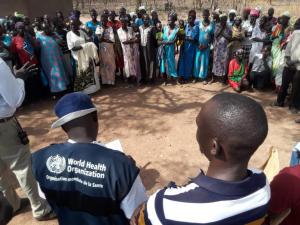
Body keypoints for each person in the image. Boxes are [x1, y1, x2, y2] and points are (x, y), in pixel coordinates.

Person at [131, 93, 270, 225]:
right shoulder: (262, 185)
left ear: (214, 146)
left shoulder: (165, 208)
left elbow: (137, 220)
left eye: (199, 126)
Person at [32, 92, 147, 225]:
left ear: (63, 127)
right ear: (95, 117)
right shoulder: (121, 167)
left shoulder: (41, 159)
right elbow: (139, 215)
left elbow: (45, 195)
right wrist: (127, 170)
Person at [0, 58, 56, 221]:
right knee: (23, 166)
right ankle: (40, 209)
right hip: (4, 126)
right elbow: (15, 99)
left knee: (1, 171)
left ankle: (13, 203)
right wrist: (19, 79)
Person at [10, 21, 44, 103]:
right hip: (25, 64)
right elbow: (14, 53)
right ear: (16, 29)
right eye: (19, 28)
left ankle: (40, 96)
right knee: (29, 81)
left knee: (37, 79)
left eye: (22, 28)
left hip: (34, 61)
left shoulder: (28, 36)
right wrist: (17, 64)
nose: (21, 30)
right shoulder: (14, 40)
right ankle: (31, 98)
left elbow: (36, 47)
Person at [272, 18, 300, 113]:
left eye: (297, 24)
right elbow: (288, 48)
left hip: (298, 66)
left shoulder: (295, 33)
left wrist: (293, 61)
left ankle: (293, 106)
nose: (296, 26)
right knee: (286, 85)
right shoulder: (294, 34)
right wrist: (288, 60)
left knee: (295, 87)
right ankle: (281, 102)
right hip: (290, 63)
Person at [67, 18, 100, 94]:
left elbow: (88, 39)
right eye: (71, 24)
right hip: (77, 57)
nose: (72, 26)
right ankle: (83, 91)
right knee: (81, 74)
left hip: (86, 55)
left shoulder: (81, 32)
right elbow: (72, 48)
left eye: (74, 24)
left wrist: (88, 37)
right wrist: (84, 46)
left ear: (77, 25)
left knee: (90, 72)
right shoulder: (68, 34)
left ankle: (92, 90)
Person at [37, 22, 70, 97]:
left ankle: (64, 90)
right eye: (45, 28)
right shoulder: (39, 38)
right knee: (52, 76)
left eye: (48, 27)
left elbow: (62, 42)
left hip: (58, 59)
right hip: (48, 61)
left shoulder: (54, 35)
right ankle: (55, 93)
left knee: (61, 73)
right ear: (42, 29)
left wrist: (55, 37)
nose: (47, 29)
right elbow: (37, 49)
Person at [271, 12, 292, 89]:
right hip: (275, 48)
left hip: (284, 49)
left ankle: (278, 85)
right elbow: (271, 38)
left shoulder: (290, 29)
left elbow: (290, 39)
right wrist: (277, 36)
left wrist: (284, 42)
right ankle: (274, 83)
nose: (283, 19)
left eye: (285, 18)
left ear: (288, 19)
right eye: (282, 18)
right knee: (275, 65)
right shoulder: (278, 27)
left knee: (280, 66)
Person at [178, 10, 199, 82]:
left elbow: (193, 39)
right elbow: (181, 34)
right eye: (188, 18)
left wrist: (186, 37)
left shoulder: (196, 27)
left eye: (191, 18)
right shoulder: (185, 26)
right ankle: (181, 76)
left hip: (191, 48)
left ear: (194, 19)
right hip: (184, 47)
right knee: (182, 62)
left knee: (189, 63)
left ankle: (186, 77)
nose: (189, 20)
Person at [193, 9, 214, 83]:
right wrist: (198, 44)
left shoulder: (211, 25)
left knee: (205, 61)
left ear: (209, 15)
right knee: (197, 61)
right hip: (198, 46)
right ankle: (195, 76)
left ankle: (204, 77)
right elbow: (196, 35)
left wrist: (208, 45)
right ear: (202, 16)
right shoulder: (199, 23)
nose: (205, 16)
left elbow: (212, 36)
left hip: (206, 47)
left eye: (206, 15)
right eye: (204, 15)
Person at [117, 16, 140, 83]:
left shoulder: (130, 29)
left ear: (127, 23)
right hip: (125, 50)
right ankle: (128, 76)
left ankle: (133, 76)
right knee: (127, 63)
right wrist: (133, 41)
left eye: (125, 22)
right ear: (120, 23)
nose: (124, 23)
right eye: (122, 22)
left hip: (132, 49)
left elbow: (134, 37)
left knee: (133, 63)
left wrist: (133, 40)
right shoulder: (119, 30)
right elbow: (124, 42)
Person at [211, 14, 232, 83]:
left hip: (225, 48)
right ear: (220, 20)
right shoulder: (217, 26)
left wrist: (223, 33)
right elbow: (216, 35)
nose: (223, 21)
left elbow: (230, 38)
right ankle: (213, 78)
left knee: (224, 62)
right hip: (217, 47)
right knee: (215, 62)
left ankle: (223, 79)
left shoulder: (229, 27)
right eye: (222, 20)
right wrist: (221, 29)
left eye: (225, 20)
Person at [96, 14, 116, 85]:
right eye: (102, 20)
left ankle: (111, 81)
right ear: (101, 21)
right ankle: (105, 81)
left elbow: (112, 40)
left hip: (110, 49)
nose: (104, 22)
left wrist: (104, 39)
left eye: (105, 20)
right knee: (104, 65)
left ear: (107, 20)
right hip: (102, 50)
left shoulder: (110, 28)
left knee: (111, 64)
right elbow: (99, 39)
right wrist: (104, 31)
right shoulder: (98, 28)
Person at [161, 13, 179, 85]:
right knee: (163, 63)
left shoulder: (177, 30)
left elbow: (174, 41)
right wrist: (163, 42)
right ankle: (165, 80)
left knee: (171, 63)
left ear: (174, 20)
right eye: (168, 20)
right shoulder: (164, 28)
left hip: (171, 49)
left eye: (170, 20)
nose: (169, 22)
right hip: (163, 49)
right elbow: (160, 38)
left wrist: (164, 42)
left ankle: (174, 78)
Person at [139, 14, 157, 83]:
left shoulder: (152, 28)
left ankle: (151, 78)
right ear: (142, 20)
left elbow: (155, 39)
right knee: (143, 63)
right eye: (144, 19)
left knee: (150, 62)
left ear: (149, 20)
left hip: (149, 48)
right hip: (142, 47)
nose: (146, 20)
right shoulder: (140, 27)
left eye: (147, 19)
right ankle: (144, 78)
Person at [108, 10, 124, 78]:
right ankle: (114, 74)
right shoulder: (108, 23)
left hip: (118, 41)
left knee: (120, 56)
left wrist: (114, 29)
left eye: (113, 15)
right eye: (111, 15)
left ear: (115, 16)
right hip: (110, 42)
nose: (112, 16)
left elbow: (120, 29)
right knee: (112, 58)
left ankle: (122, 74)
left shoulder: (118, 22)